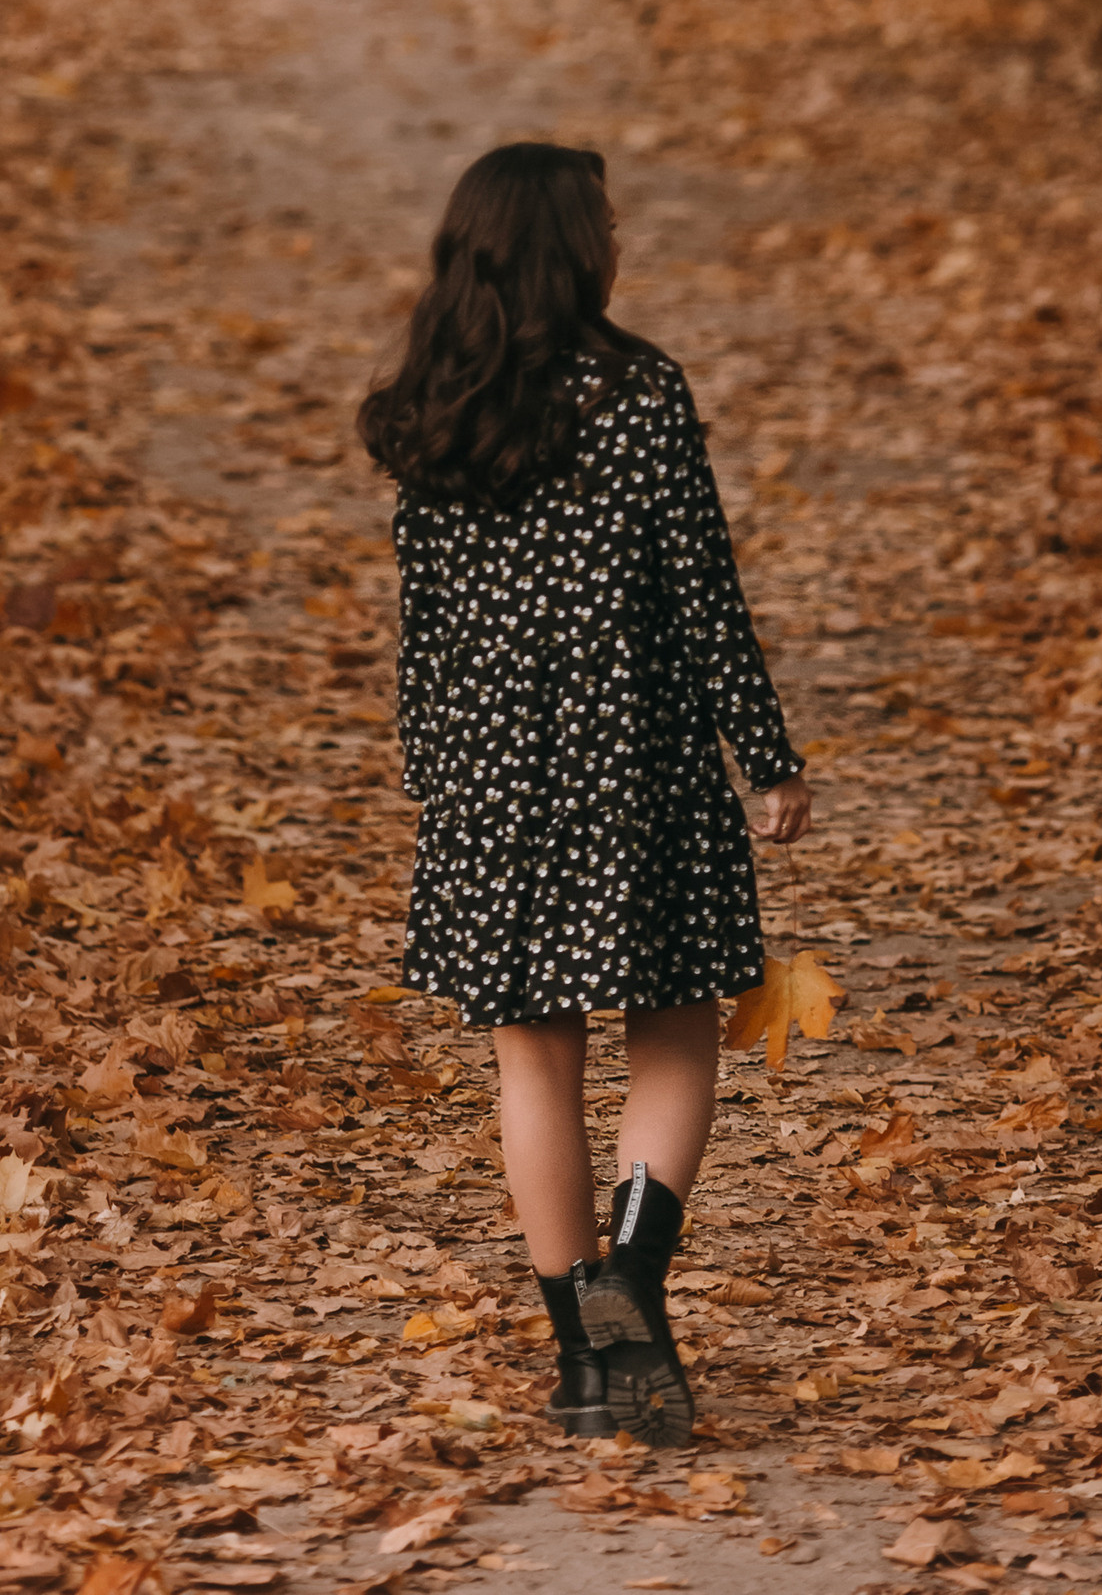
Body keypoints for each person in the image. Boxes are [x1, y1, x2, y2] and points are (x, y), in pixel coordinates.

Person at [358, 142, 811, 1446]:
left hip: (495, 773)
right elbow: (701, 590)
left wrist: (433, 773)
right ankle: (632, 1280)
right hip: (640, 763)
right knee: (672, 1026)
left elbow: (424, 627)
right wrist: (763, 754)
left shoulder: (430, 410)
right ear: (574, 245)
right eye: (605, 220)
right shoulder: (638, 393)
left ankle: (582, 1358)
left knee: (530, 1058)